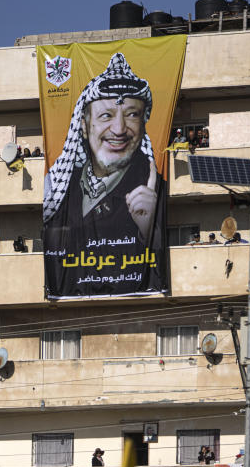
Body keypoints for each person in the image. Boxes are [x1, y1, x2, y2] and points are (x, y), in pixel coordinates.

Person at [43, 52, 166, 298]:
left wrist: (149, 229)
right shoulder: (59, 188)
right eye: (106, 115)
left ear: (143, 123)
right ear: (85, 125)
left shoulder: (154, 189)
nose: (119, 129)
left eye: (132, 114)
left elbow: (161, 265)